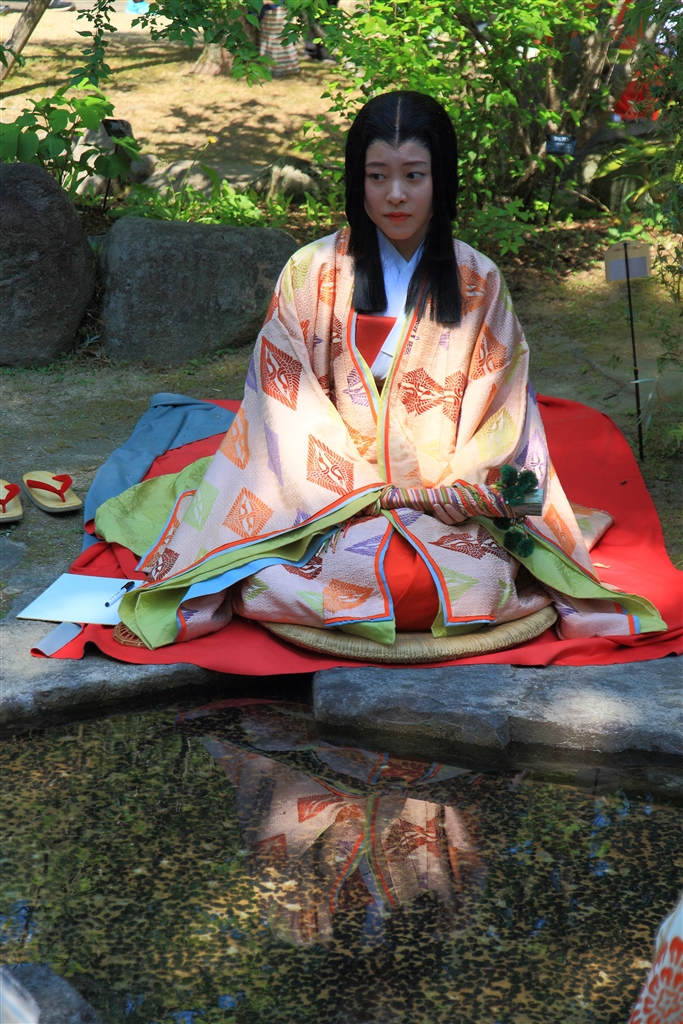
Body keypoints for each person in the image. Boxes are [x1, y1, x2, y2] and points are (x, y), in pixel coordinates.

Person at [97, 91, 665, 650]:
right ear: (356, 181)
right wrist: (362, 492)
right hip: (326, 501)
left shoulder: (479, 280)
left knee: (458, 583)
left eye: (414, 175)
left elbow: (505, 413)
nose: (395, 194)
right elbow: (281, 402)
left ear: (441, 180)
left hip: (448, 500)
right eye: (377, 176)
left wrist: (456, 490)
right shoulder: (311, 272)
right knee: (299, 576)